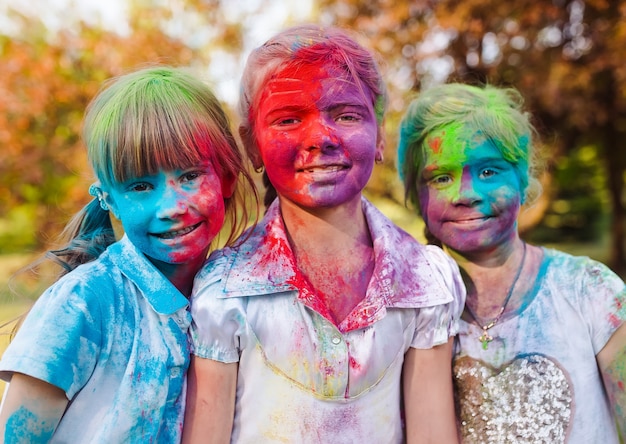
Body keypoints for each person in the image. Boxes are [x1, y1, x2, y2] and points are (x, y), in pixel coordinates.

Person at [182, 24, 466, 444]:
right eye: (288, 119)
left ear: (380, 135)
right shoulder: (225, 291)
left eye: (347, 115)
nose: (320, 138)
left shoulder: (424, 282)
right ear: (253, 146)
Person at [0, 65, 255, 442]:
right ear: (108, 199)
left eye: (189, 176)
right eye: (140, 186)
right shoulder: (83, 302)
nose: (172, 206)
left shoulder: (228, 297)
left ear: (228, 177)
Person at [397, 82, 626, 443]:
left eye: (489, 172)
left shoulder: (590, 290)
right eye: (441, 177)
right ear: (417, 194)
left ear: (522, 179)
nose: (466, 194)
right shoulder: (406, 313)